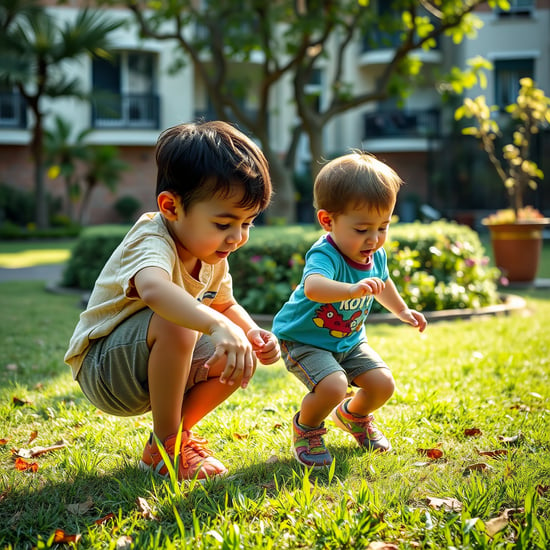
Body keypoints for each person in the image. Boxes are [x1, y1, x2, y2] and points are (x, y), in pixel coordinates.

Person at [65, 120, 281, 481]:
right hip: (104, 369)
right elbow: (154, 290)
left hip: (154, 367)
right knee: (177, 320)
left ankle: (166, 442)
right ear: (171, 207)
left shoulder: (211, 254)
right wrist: (216, 325)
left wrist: (251, 331)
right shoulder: (152, 239)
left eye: (247, 223)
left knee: (236, 353)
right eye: (224, 223)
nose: (237, 237)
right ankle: (169, 446)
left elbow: (224, 304)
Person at [272, 151, 427, 468]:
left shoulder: (375, 254)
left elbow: (384, 282)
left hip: (350, 340)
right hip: (303, 339)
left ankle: (353, 416)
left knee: (383, 384)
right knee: (333, 385)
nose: (374, 239)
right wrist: (352, 289)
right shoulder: (325, 254)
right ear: (328, 221)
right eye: (362, 229)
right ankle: (307, 428)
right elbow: (314, 288)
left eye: (383, 227)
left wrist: (402, 311)